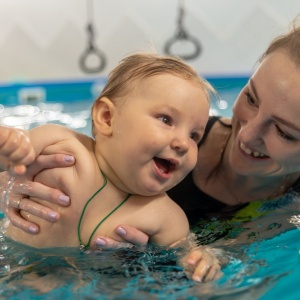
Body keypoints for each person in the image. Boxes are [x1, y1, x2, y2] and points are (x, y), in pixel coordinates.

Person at [0, 52, 222, 282]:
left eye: (194, 135)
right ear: (106, 118)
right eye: (166, 120)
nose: (183, 143)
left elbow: (187, 254)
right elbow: (12, 154)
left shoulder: (166, 216)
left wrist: (201, 260)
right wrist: (9, 145)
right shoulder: (60, 144)